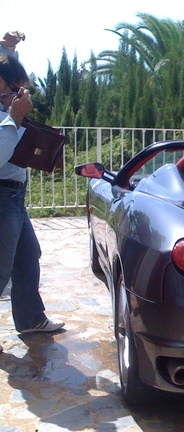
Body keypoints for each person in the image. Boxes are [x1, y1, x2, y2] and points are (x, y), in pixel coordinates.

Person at [0, 54, 64, 354]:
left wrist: (9, 48)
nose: (21, 95)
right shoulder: (5, 114)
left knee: (27, 256)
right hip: (2, 196)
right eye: (18, 89)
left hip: (14, 196)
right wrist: (14, 118)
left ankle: (30, 319)